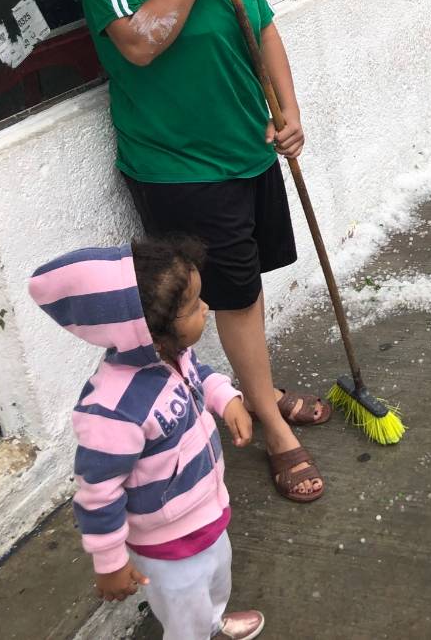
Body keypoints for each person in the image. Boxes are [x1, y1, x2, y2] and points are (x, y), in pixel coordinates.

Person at [74, 0, 326, 502]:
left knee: (247, 286)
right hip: (181, 160)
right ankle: (275, 430)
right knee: (231, 292)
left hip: (247, 143)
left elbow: (262, 27)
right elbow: (137, 44)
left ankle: (263, 390)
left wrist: (287, 106)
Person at [28, 237, 264, 640]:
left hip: (208, 511)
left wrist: (227, 399)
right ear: (148, 333)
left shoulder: (172, 356)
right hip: (166, 544)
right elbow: (98, 494)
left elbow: (198, 374)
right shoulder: (112, 410)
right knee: (183, 616)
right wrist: (110, 563)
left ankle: (213, 620)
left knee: (216, 580)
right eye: (193, 308)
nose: (205, 309)